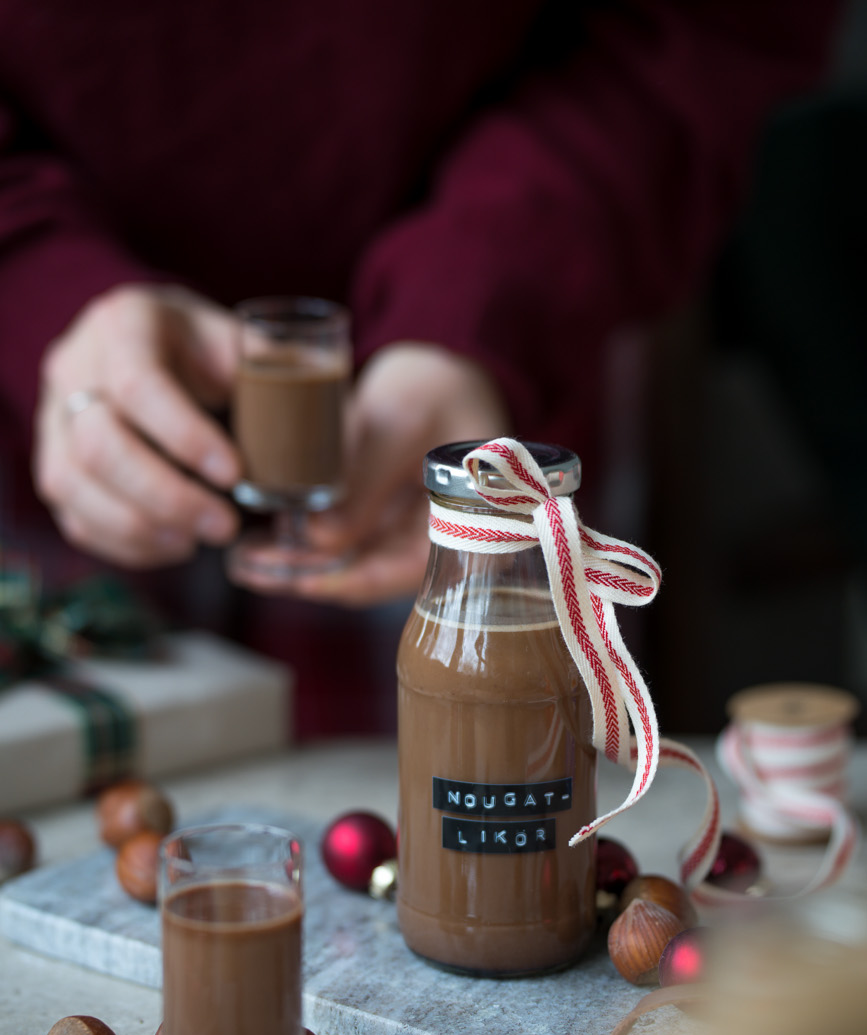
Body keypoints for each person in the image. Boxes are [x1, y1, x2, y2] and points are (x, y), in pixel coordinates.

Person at [0, 0, 843, 731]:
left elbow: (701, 35)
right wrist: (38, 278)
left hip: (489, 378)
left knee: (502, 826)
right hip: (55, 424)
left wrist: (483, 298)